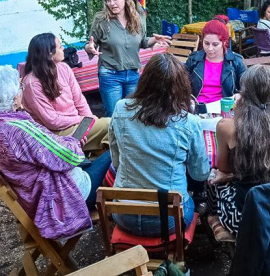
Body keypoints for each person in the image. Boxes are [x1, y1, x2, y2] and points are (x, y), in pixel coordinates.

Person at [0, 65, 111, 240]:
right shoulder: (18, 129)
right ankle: (129, 220)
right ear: (14, 99)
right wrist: (74, 143)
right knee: (115, 153)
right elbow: (68, 156)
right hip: (64, 198)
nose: (22, 91)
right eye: (19, 88)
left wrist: (69, 142)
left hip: (36, 199)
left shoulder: (4, 129)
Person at [109, 53, 210, 237]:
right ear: (181, 87)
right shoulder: (189, 122)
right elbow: (200, 173)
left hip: (124, 213)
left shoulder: (120, 108)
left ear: (144, 80)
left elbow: (116, 162)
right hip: (167, 219)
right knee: (192, 200)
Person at [208, 64, 270, 234]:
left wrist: (228, 175)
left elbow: (224, 169)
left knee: (212, 177)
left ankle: (210, 215)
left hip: (246, 218)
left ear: (244, 92)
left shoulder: (228, 126)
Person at [84, 0, 171, 117]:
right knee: (114, 115)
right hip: (110, 75)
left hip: (133, 75)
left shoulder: (136, 18)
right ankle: (113, 139)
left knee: (132, 114)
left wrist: (154, 40)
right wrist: (89, 47)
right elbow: (90, 43)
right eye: (108, 0)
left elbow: (141, 41)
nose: (112, 3)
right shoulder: (101, 20)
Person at [22, 33, 109, 152]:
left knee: (109, 134)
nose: (63, 49)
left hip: (76, 124)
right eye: (59, 46)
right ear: (49, 53)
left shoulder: (64, 68)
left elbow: (79, 100)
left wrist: (90, 120)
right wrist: (83, 119)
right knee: (110, 125)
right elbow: (52, 121)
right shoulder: (31, 83)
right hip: (54, 134)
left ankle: (95, 161)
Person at [185, 17, 246, 103]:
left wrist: (241, 94)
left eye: (215, 44)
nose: (210, 48)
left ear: (224, 42)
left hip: (225, 109)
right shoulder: (193, 60)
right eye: (206, 43)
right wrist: (187, 98)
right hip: (197, 108)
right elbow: (181, 85)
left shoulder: (236, 61)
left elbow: (248, 88)